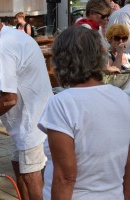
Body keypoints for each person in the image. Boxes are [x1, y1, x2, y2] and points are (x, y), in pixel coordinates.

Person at [0, 8, 53, 200]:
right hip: (28, 122)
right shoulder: (12, 36)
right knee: (18, 167)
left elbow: (9, 99)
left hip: (31, 124)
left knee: (31, 177)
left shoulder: (3, 48)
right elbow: (2, 90)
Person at [38, 26, 130, 200]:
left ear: (60, 60)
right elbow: (128, 169)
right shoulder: (123, 99)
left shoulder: (62, 103)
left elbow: (65, 177)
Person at [104, 23, 130, 95]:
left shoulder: (127, 56)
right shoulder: (106, 55)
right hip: (113, 93)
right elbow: (114, 73)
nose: (121, 41)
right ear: (110, 39)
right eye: (117, 38)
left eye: (124, 38)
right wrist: (119, 53)